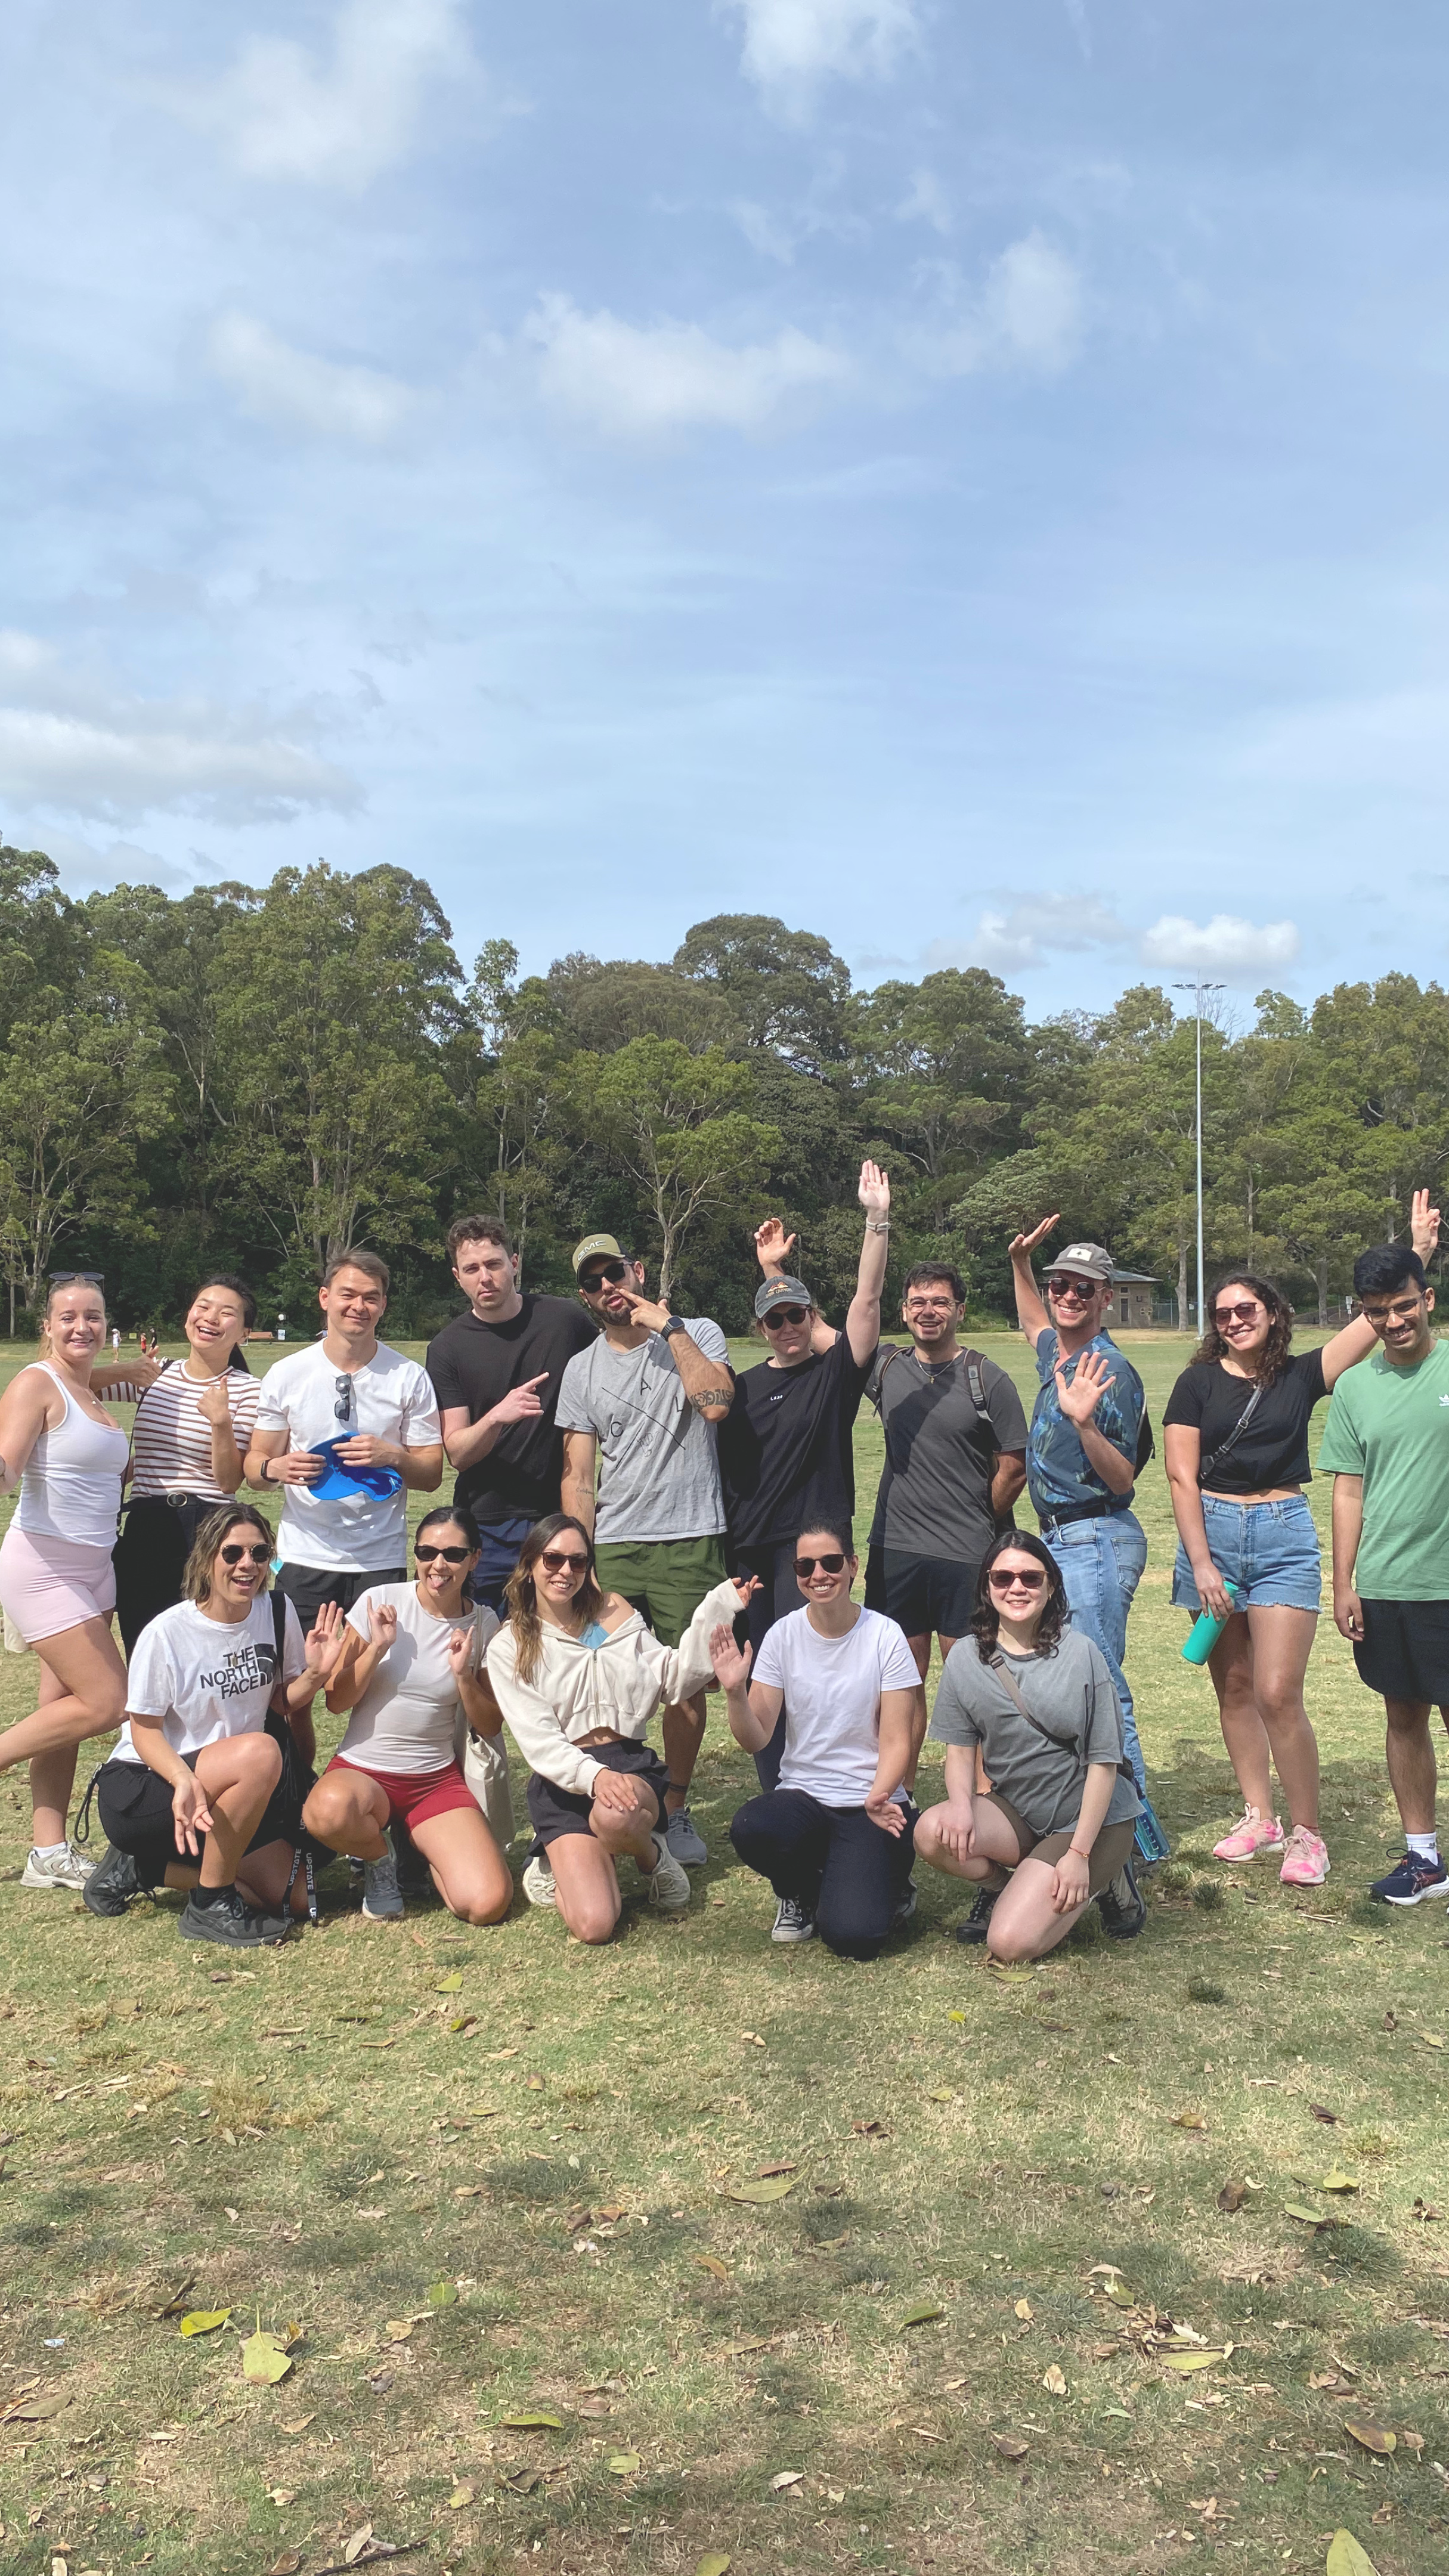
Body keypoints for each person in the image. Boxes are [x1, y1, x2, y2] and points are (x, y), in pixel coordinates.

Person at [1163, 1197, 1439, 1890]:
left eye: (1246, 1309)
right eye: (1223, 1313)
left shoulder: (1301, 1376)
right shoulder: (1195, 1384)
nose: (1234, 1320)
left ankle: (1307, 1833)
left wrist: (1418, 1250)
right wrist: (1200, 1564)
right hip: (1214, 1541)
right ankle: (1260, 1816)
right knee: (1232, 1686)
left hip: (1284, 1535)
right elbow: (1178, 1474)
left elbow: (1379, 1319)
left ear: (1272, 1314)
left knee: (1279, 1690)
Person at [80, 1503, 343, 1946]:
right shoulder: (168, 1633)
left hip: (232, 1786)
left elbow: (278, 1702)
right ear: (205, 1559)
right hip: (150, 1785)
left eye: (260, 1554)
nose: (248, 1566)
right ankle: (211, 1903)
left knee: (299, 1897)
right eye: (233, 1554)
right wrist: (182, 1778)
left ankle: (143, 1867)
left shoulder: (275, 1612)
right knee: (262, 1751)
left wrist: (316, 1676)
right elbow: (143, 1730)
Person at [717, 1162, 890, 1832]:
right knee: (770, 1688)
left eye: (798, 1315)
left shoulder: (833, 1378)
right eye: (775, 1318)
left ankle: (852, 1800)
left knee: (836, 1685)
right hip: (755, 1559)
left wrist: (875, 1220)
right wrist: (772, 1274)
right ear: (761, 1327)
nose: (787, 1325)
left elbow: (868, 1306)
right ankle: (787, 1801)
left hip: (816, 1557)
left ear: (814, 1318)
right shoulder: (741, 1388)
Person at [485, 1513, 751, 1943]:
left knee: (616, 1816)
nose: (565, 1572)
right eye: (553, 1560)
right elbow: (540, 1741)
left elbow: (671, 1678)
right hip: (564, 1778)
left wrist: (719, 1608)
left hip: (625, 1762)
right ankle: (555, 1856)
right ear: (530, 1564)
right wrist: (595, 1778)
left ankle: (653, 1859)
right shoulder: (510, 1645)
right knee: (594, 1926)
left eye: (578, 1561)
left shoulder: (612, 1612)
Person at [557, 1234, 734, 1869]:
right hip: (618, 1544)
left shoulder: (697, 1332)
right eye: (596, 1280)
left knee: (686, 1686)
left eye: (617, 1271)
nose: (610, 1285)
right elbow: (578, 1475)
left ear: (638, 1270)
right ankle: (622, 1800)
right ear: (586, 1295)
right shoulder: (582, 1368)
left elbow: (715, 1404)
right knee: (610, 1681)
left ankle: (677, 1806)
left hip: (691, 1535)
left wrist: (668, 1326)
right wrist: (582, 1558)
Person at [1007, 1219, 1167, 1875]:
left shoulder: (1110, 1370)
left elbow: (1124, 1477)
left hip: (1096, 1534)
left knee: (1104, 1691)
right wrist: (1019, 1263)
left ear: (1106, 1298)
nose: (1068, 1296)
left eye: (1084, 1288)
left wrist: (1083, 1423)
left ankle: (1137, 1840)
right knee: (1084, 1685)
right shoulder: (1060, 1354)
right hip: (1064, 1540)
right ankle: (1109, 1823)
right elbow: (1030, 1322)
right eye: (1059, 1285)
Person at [914, 1532, 1144, 1958]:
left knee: (1009, 1943)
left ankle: (1106, 1874)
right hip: (1019, 1811)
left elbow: (1104, 1762)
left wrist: (1078, 1853)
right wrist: (962, 1806)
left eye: (1030, 1578)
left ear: (1051, 1585)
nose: (1016, 1588)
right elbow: (961, 1750)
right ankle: (1007, 1889)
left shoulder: (1081, 1654)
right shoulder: (966, 1657)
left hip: (1090, 1823)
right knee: (933, 1831)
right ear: (986, 1586)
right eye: (1002, 1578)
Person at [712, 1522, 919, 1958]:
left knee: (855, 1938)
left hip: (870, 1803)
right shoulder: (783, 1636)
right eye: (806, 1565)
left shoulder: (885, 1636)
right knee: (753, 1827)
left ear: (853, 1567)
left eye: (831, 1563)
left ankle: (887, 1878)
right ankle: (800, 1891)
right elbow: (756, 1738)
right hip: (804, 1797)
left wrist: (880, 1794)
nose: (818, 1574)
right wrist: (734, 1692)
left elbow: (898, 1738)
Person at [301, 1506, 514, 1927]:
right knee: (324, 1812)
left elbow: (489, 1725)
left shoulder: (484, 1623)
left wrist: (464, 1677)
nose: (438, 1565)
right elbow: (337, 1701)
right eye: (427, 1552)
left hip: (434, 1780)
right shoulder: (379, 1602)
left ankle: (421, 1849)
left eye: (454, 1554)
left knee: (486, 1903)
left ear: (475, 1559)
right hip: (364, 1771)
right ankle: (381, 1862)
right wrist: (378, 1648)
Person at [1320, 1241, 1449, 1905]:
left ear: (1427, 1298)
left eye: (1404, 1305)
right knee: (1403, 1716)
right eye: (1378, 1312)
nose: (1394, 1322)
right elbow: (1349, 1490)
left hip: (1445, 1585)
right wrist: (1345, 1583)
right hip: (1386, 1584)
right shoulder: (1356, 1386)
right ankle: (1424, 1859)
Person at [0, 1275, 130, 1888]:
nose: (83, 1326)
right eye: (69, 1317)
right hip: (44, 1569)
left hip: (93, 1570)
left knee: (65, 1710)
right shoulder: (37, 1383)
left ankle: (47, 1853)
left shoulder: (85, 1386)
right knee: (107, 1701)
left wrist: (137, 1370)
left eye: (94, 1317)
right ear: (46, 1327)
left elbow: (103, 1378)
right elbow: (8, 1464)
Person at [244, 1250, 443, 1632]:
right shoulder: (287, 1374)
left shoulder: (409, 1377)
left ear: (383, 1305)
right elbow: (254, 1468)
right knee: (296, 1680)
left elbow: (432, 1475)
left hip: (379, 1559)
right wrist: (275, 1467)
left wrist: (392, 1456)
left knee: (372, 1682)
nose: (359, 1306)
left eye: (371, 1297)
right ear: (325, 1298)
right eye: (347, 1294)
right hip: (303, 1556)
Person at [863, 1259, 1028, 1693]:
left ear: (960, 1311)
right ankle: (900, 1765)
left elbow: (1014, 1469)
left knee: (971, 1681)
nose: (928, 1311)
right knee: (898, 1680)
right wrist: (773, 1269)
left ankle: (975, 1765)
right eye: (918, 1302)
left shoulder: (988, 1378)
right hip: (895, 1550)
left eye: (941, 1302)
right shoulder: (885, 1367)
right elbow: (818, 1333)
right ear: (903, 1311)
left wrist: (974, 1513)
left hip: (966, 1553)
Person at [426, 1216, 596, 1613]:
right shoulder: (448, 1348)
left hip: (555, 1514)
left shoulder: (564, 1321)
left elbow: (610, 1369)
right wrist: (496, 1418)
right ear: (458, 1277)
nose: (485, 1278)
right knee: (485, 1641)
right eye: (472, 1269)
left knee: (557, 1635)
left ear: (514, 1263)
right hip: (485, 1520)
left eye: (494, 1264)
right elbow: (458, 1452)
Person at [101, 1273, 264, 1655]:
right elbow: (76, 1384)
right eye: (203, 1307)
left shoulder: (249, 1391)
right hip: (145, 1524)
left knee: (203, 1650)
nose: (210, 1318)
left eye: (227, 1314)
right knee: (145, 1648)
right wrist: (124, 1370)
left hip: (209, 1528)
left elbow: (228, 1482)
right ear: (189, 1315)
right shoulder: (156, 1374)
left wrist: (221, 1422)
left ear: (243, 1333)